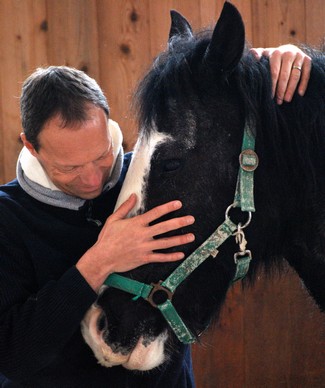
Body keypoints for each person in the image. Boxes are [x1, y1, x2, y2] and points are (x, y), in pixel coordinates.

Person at [0, 44, 311, 387]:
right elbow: (12, 356)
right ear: (30, 146)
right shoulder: (7, 217)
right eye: (69, 168)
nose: (92, 179)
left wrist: (273, 60)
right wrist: (97, 263)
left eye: (102, 155)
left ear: (108, 120)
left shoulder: (157, 178)